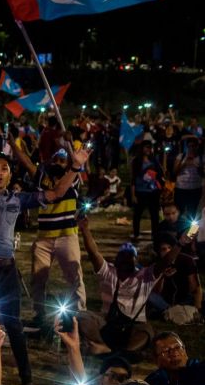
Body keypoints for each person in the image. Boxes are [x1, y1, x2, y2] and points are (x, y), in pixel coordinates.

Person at [0, 147, 86, 385]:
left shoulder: (18, 200)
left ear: (10, 173)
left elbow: (57, 193)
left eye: (4, 168)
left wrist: (75, 167)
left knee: (14, 325)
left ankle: (27, 383)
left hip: (6, 272)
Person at [75, 215, 185, 356]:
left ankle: (112, 351)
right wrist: (85, 230)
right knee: (83, 317)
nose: (126, 261)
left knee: (146, 332)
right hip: (108, 324)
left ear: (135, 261)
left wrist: (181, 243)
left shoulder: (145, 275)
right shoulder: (109, 271)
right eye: (123, 257)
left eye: (130, 258)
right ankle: (105, 346)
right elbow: (93, 253)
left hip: (134, 326)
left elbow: (165, 262)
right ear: (117, 260)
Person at [16, 148, 86, 329]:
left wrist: (72, 152)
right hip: (43, 239)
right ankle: (39, 314)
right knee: (38, 278)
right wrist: (13, 145)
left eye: (63, 161)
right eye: (56, 160)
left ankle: (81, 317)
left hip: (66, 236)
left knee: (75, 276)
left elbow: (76, 163)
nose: (58, 164)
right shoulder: (42, 179)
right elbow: (27, 162)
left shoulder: (74, 177)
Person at [129, 140, 164, 242]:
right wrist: (133, 194)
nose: (149, 149)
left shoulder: (154, 160)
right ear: (142, 148)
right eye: (146, 147)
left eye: (150, 147)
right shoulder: (136, 161)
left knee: (154, 215)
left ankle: (155, 235)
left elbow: (161, 174)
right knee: (137, 214)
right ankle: (136, 234)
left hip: (153, 192)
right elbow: (133, 179)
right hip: (140, 191)